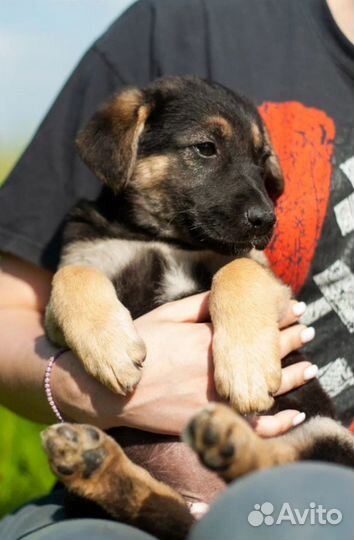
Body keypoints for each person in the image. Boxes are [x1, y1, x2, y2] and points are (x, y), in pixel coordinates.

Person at [0, 0, 353, 538]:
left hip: (304, 474)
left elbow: (262, 287)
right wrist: (75, 381)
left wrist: (239, 294)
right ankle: (144, 499)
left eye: (259, 166)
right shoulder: (176, 21)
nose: (258, 200)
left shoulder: (232, 257)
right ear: (127, 147)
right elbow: (21, 310)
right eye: (206, 150)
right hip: (141, 486)